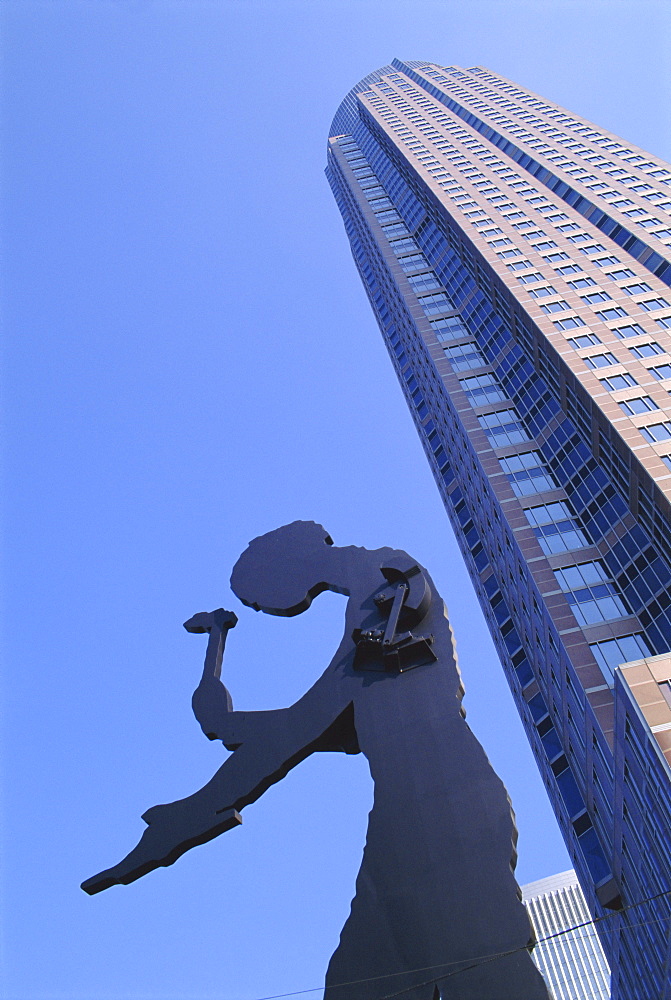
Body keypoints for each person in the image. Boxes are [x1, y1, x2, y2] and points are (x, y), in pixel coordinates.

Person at [83, 521, 549, 1000]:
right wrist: (219, 708)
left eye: (256, 597)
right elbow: (286, 727)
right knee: (358, 981)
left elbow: (295, 729)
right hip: (402, 824)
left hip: (445, 809)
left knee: (485, 971)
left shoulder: (385, 582)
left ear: (283, 565)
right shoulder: (374, 601)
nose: (260, 607)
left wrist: (185, 814)